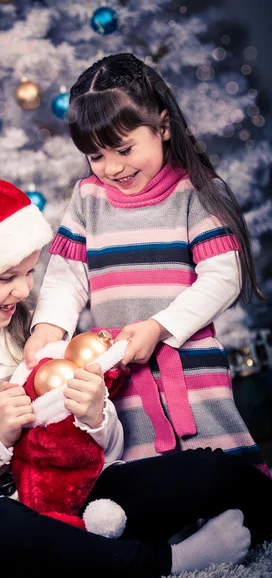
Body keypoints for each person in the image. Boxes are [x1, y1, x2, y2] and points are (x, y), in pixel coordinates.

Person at [0, 173, 272, 578]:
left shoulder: (34, 334)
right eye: (7, 277)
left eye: (29, 272)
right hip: (24, 536)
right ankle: (174, 561)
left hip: (92, 501)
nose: (25, 289)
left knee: (211, 470)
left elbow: (106, 452)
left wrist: (96, 416)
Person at [23, 53, 270, 474]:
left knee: (215, 466)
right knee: (138, 470)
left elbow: (222, 278)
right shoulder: (88, 200)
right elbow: (67, 278)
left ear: (163, 126)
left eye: (123, 149)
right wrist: (49, 328)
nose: (112, 167)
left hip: (187, 366)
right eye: (96, 157)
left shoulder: (197, 194)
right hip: (116, 370)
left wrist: (159, 327)